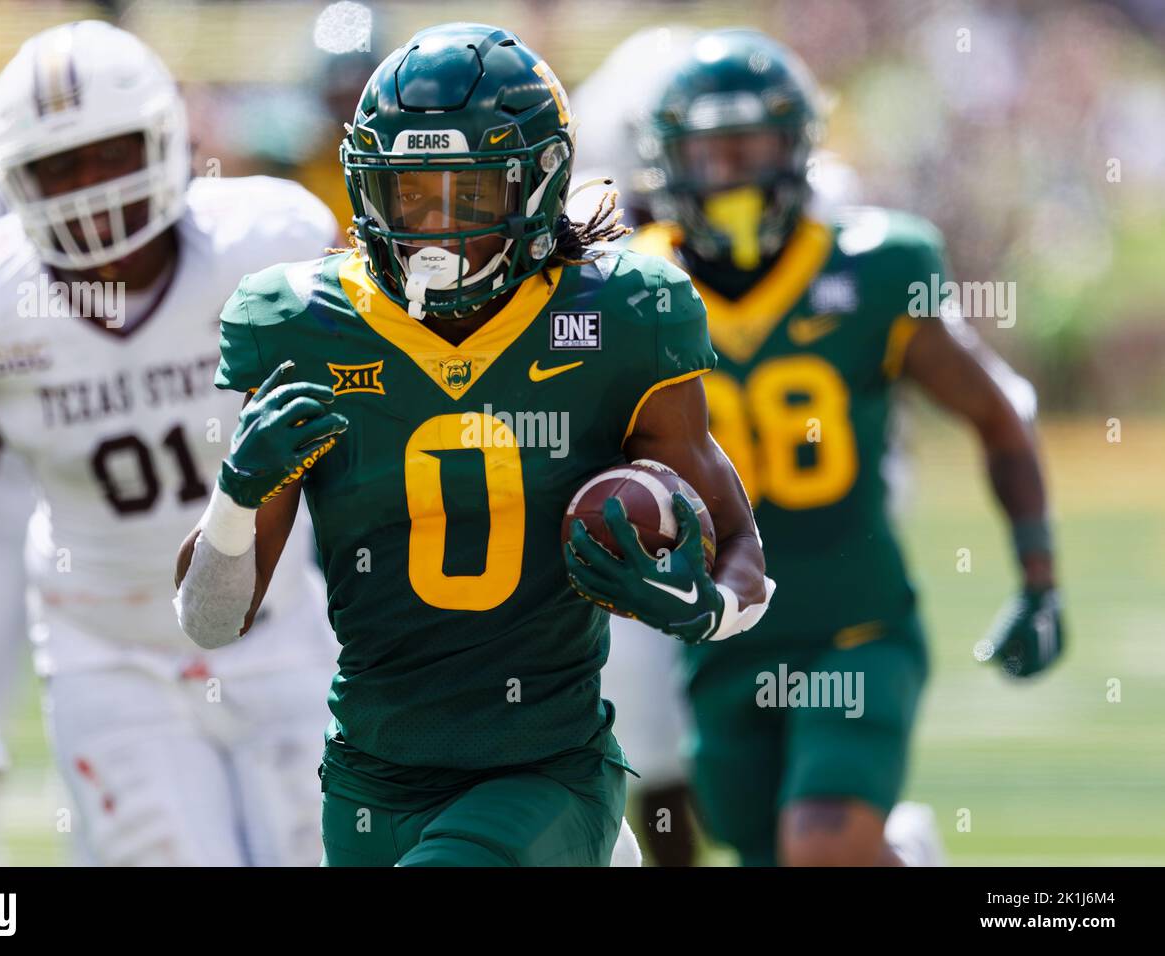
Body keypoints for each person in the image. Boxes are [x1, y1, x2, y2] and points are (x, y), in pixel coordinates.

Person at [174, 21, 773, 867]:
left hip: (546, 769)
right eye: (412, 193)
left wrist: (708, 610)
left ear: (538, 187)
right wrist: (237, 500)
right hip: (371, 781)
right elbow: (210, 620)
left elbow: (739, 543)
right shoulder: (303, 326)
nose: (436, 230)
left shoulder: (621, 315)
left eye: (470, 194)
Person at [0, 20, 338, 865]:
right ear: (13, 181)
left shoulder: (261, 252)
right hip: (108, 652)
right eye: (59, 166)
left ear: (167, 143)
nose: (90, 187)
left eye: (109, 153)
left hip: (278, 625)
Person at [629, 28, 1063, 866]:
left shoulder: (876, 266)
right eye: (711, 154)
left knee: (821, 851)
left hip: (854, 629)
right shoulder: (632, 288)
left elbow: (998, 408)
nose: (733, 178)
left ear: (798, 151)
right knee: (767, 851)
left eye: (752, 150)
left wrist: (1038, 575)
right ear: (669, 162)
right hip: (722, 639)